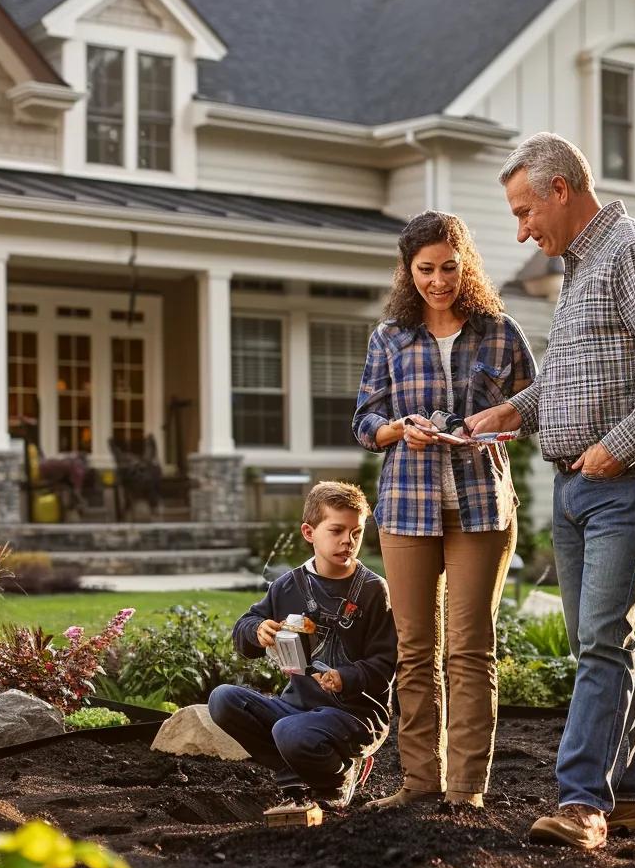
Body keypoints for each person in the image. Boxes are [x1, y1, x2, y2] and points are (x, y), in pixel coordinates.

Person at [467, 132, 635, 850]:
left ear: (561, 190)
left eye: (524, 209)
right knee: (602, 643)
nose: (521, 228)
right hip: (573, 487)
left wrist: (617, 448)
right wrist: (517, 410)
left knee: (602, 642)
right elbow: (578, 378)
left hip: (623, 484)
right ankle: (627, 797)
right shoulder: (580, 269)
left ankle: (581, 805)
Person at [352, 211, 537, 809]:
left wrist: (499, 424)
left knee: (469, 649)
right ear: (409, 272)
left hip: (482, 508)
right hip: (407, 508)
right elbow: (364, 421)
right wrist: (398, 430)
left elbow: (534, 405)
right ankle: (417, 784)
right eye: (426, 270)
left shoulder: (501, 333)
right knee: (413, 650)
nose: (439, 281)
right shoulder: (389, 337)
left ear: (466, 265)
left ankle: (465, 792)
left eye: (449, 268)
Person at [208, 481, 397, 815]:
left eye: (356, 532)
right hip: (297, 707)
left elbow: (386, 662)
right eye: (336, 530)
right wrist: (257, 630)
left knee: (290, 732)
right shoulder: (288, 586)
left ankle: (338, 779)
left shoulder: (372, 590)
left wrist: (347, 677)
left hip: (355, 716)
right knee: (223, 699)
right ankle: (294, 776)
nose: (347, 541)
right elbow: (244, 628)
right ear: (309, 532)